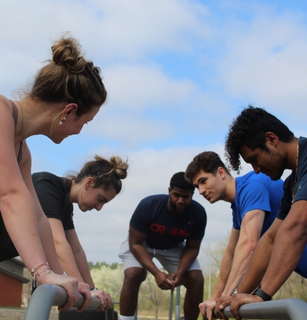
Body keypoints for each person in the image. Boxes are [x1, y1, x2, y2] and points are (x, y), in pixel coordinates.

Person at [0, 36, 106, 311]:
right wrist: (41, 272)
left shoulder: (21, 152)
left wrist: (61, 276)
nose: (79, 132)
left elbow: (38, 218)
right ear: (69, 111)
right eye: (84, 123)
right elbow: (10, 196)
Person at [215, 106, 307, 320]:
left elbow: (296, 228)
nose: (255, 169)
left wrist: (262, 295)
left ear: (272, 139)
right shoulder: (291, 184)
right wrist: (240, 295)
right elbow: (271, 239)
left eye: (255, 159)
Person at [184, 151, 284, 320]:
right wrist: (215, 297)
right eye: (196, 186)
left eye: (203, 181)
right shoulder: (238, 206)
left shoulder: (251, 187)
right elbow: (231, 253)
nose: (200, 191)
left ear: (221, 172)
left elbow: (249, 245)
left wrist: (224, 299)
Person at [31, 155, 128, 309]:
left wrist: (92, 289)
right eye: (101, 199)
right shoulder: (47, 186)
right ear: (89, 182)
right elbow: (57, 242)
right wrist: (82, 287)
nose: (99, 208)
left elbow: (76, 250)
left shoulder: (66, 205)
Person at [118, 172, 207, 320]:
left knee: (196, 279)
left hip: (173, 245)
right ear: (169, 191)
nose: (180, 201)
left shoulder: (198, 214)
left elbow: (192, 247)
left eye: (185, 197)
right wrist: (157, 272)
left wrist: (180, 272)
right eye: (176, 195)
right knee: (134, 274)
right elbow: (135, 243)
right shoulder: (148, 206)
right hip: (142, 243)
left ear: (192, 194)